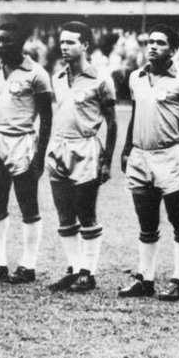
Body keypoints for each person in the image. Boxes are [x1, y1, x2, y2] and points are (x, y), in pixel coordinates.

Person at [119, 24, 179, 301]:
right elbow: (134, 114)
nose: (153, 46)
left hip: (169, 156)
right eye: (150, 42)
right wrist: (127, 148)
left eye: (160, 43)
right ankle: (146, 278)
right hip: (140, 156)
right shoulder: (136, 77)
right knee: (146, 221)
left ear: (174, 50)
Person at [0, 21, 53, 284]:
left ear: (21, 42)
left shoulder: (37, 73)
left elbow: (46, 117)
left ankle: (28, 265)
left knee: (27, 204)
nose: (0, 45)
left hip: (22, 140)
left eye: (7, 40)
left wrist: (40, 156)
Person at [45, 22, 118, 293]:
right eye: (62, 42)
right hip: (59, 148)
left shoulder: (101, 79)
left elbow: (112, 123)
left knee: (86, 213)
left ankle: (89, 272)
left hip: (86, 149)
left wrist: (107, 160)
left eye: (71, 42)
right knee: (64, 214)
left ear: (85, 45)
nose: (64, 47)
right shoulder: (58, 77)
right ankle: (74, 269)